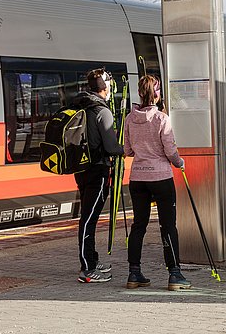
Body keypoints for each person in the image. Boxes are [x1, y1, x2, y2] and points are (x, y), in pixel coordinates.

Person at [123, 75, 191, 291]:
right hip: (161, 178)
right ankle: (174, 274)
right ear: (157, 93)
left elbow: (127, 151)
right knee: (168, 225)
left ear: (140, 93)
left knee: (138, 226)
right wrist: (180, 162)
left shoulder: (129, 119)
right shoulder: (162, 118)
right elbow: (170, 151)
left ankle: (134, 273)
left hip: (138, 179)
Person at [74, 68, 124, 283]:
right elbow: (111, 147)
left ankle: (92, 260)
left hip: (81, 168)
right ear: (104, 87)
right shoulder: (102, 111)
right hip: (98, 170)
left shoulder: (82, 105)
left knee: (88, 216)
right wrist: (126, 148)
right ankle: (87, 269)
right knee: (89, 219)